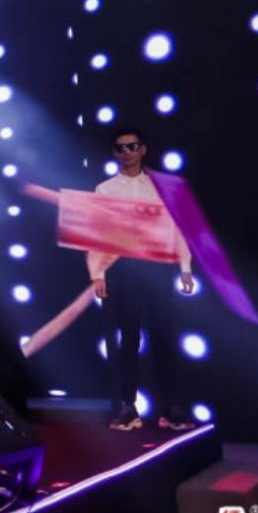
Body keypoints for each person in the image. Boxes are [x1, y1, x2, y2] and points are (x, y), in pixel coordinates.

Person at [89, 127, 197, 432]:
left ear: (143, 149)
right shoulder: (105, 189)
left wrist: (185, 267)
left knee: (165, 339)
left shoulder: (160, 187)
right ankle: (127, 407)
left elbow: (175, 227)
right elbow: (98, 234)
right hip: (124, 269)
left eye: (132, 146)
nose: (128, 152)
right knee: (129, 341)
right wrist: (98, 274)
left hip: (158, 267)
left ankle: (171, 409)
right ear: (115, 153)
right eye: (121, 148)